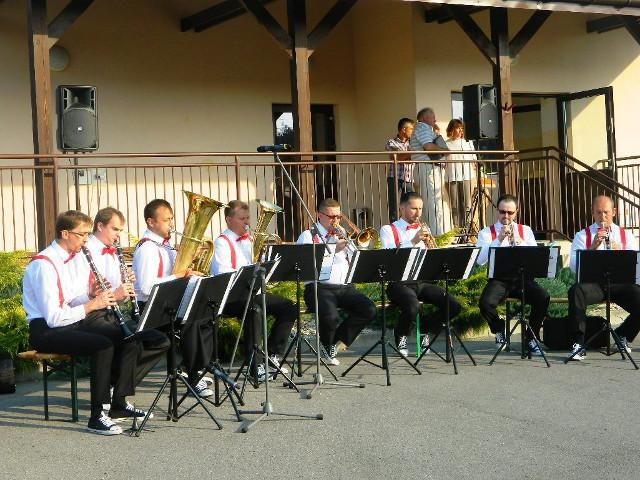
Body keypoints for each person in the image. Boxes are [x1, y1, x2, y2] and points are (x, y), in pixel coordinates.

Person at [22, 211, 141, 435]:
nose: (86, 240)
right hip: (45, 330)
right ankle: (97, 415)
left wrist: (90, 294)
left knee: (128, 337)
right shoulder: (44, 264)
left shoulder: (72, 258)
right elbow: (54, 317)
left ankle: (118, 403)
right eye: (82, 235)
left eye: (87, 235)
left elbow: (70, 300)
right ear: (65, 233)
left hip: (69, 321)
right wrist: (93, 304)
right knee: (102, 345)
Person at [70, 207, 170, 404]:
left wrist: (125, 286)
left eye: (120, 231)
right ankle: (117, 397)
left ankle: (116, 386)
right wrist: (114, 294)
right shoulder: (83, 252)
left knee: (160, 341)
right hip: (89, 315)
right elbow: (79, 296)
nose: (118, 236)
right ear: (100, 226)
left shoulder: (114, 253)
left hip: (111, 313)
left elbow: (118, 296)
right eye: (115, 229)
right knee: (131, 341)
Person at [132, 199, 214, 397]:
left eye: (171, 219)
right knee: (191, 321)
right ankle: (193, 375)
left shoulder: (166, 246)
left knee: (206, 313)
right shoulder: (147, 249)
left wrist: (189, 265)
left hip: (167, 303)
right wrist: (178, 276)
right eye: (166, 220)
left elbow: (174, 275)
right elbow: (146, 287)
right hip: (151, 308)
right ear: (151, 222)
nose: (171, 224)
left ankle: (193, 367)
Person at [209, 200, 296, 379]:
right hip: (231, 297)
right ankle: (255, 366)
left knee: (289, 307)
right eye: (242, 219)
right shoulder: (222, 243)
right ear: (229, 220)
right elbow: (223, 274)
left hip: (251, 293)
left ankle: (272, 354)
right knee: (254, 310)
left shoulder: (249, 241)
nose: (247, 222)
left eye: (248, 218)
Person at [380, 192, 462, 357]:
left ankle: (426, 327)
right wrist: (413, 241)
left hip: (421, 281)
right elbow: (391, 257)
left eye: (420, 209)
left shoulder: (423, 229)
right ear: (402, 208)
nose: (418, 213)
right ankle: (400, 334)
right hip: (398, 283)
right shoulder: (388, 230)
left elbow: (432, 259)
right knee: (412, 306)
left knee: (453, 305)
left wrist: (432, 250)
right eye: (413, 209)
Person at [296, 198, 377, 365]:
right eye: (331, 217)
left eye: (338, 217)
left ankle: (336, 342)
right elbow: (305, 264)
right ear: (319, 215)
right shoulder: (308, 235)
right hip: (318, 287)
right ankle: (327, 345)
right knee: (330, 315)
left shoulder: (342, 234)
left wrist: (350, 244)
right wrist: (333, 250)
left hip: (344, 287)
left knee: (368, 309)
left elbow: (356, 259)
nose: (336, 221)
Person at [566, 195, 640, 361]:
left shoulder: (626, 235)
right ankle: (578, 343)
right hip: (595, 285)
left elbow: (636, 264)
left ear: (614, 212)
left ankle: (623, 334)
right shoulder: (582, 235)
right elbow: (573, 267)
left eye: (606, 212)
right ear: (593, 213)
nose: (602, 217)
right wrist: (592, 247)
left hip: (620, 285)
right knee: (576, 290)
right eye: (598, 213)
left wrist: (620, 250)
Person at [476, 194, 550, 355]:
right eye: (502, 212)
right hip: (499, 279)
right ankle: (498, 328)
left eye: (510, 212)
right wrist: (498, 239)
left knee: (542, 297)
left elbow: (535, 257)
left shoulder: (526, 230)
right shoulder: (486, 233)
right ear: (497, 211)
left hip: (523, 279)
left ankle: (531, 338)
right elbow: (480, 261)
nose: (506, 216)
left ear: (516, 212)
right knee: (485, 303)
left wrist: (519, 240)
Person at [410, 107, 452, 236]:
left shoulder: (425, 129)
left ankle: (436, 233)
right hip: (428, 169)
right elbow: (428, 146)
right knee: (434, 203)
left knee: (434, 202)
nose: (435, 120)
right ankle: (438, 235)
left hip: (429, 169)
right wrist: (445, 151)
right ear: (424, 118)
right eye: (433, 117)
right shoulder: (422, 127)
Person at [445, 119, 477, 228]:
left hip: (466, 176)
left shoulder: (467, 143)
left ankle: (467, 228)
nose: (460, 131)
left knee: (467, 204)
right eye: (458, 128)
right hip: (451, 177)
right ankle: (456, 229)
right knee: (454, 205)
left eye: (461, 128)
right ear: (452, 129)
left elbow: (474, 160)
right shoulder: (446, 144)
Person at [385, 118, 415, 222]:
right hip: (394, 177)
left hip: (409, 178)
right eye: (411, 129)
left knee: (410, 203)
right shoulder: (391, 142)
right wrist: (411, 153)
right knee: (394, 205)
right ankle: (394, 227)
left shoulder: (413, 143)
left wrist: (406, 155)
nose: (413, 131)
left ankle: (407, 226)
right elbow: (396, 157)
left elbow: (403, 157)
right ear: (403, 129)